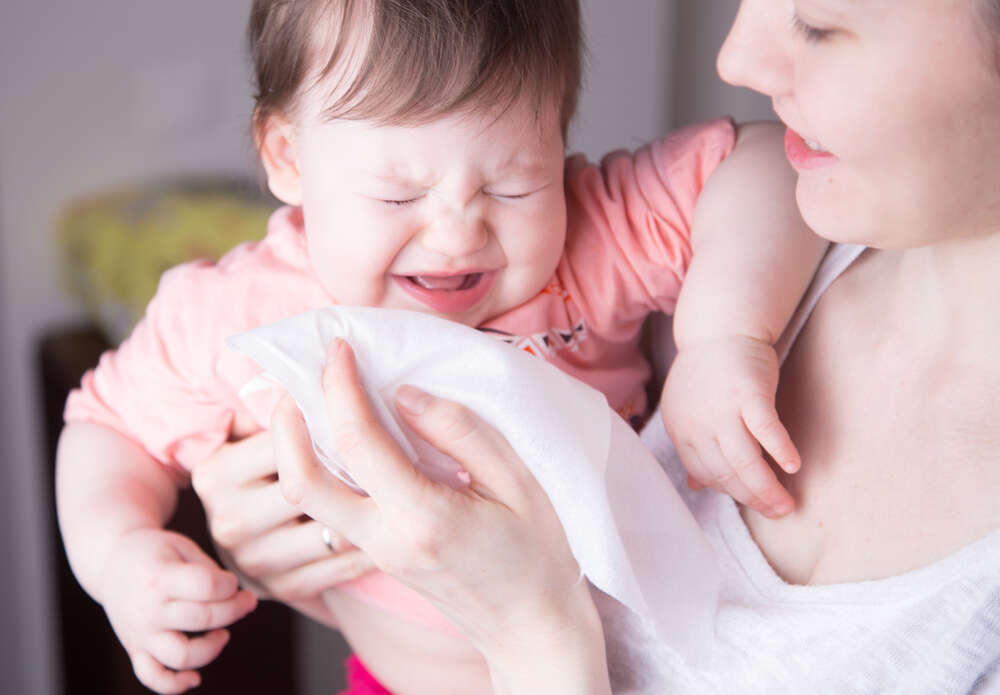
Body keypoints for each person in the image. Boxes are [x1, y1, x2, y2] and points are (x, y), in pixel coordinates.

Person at [205, 0, 1000, 692]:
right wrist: (292, 543)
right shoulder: (760, 251)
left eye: (822, 21)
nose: (735, 58)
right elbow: (115, 418)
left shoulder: (623, 261)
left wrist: (533, 633)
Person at [54, 1, 827, 693]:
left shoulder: (588, 248)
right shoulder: (238, 310)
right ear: (288, 158)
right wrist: (121, 554)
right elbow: (106, 426)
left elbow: (757, 161)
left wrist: (726, 336)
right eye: (399, 196)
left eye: (512, 185)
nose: (458, 235)